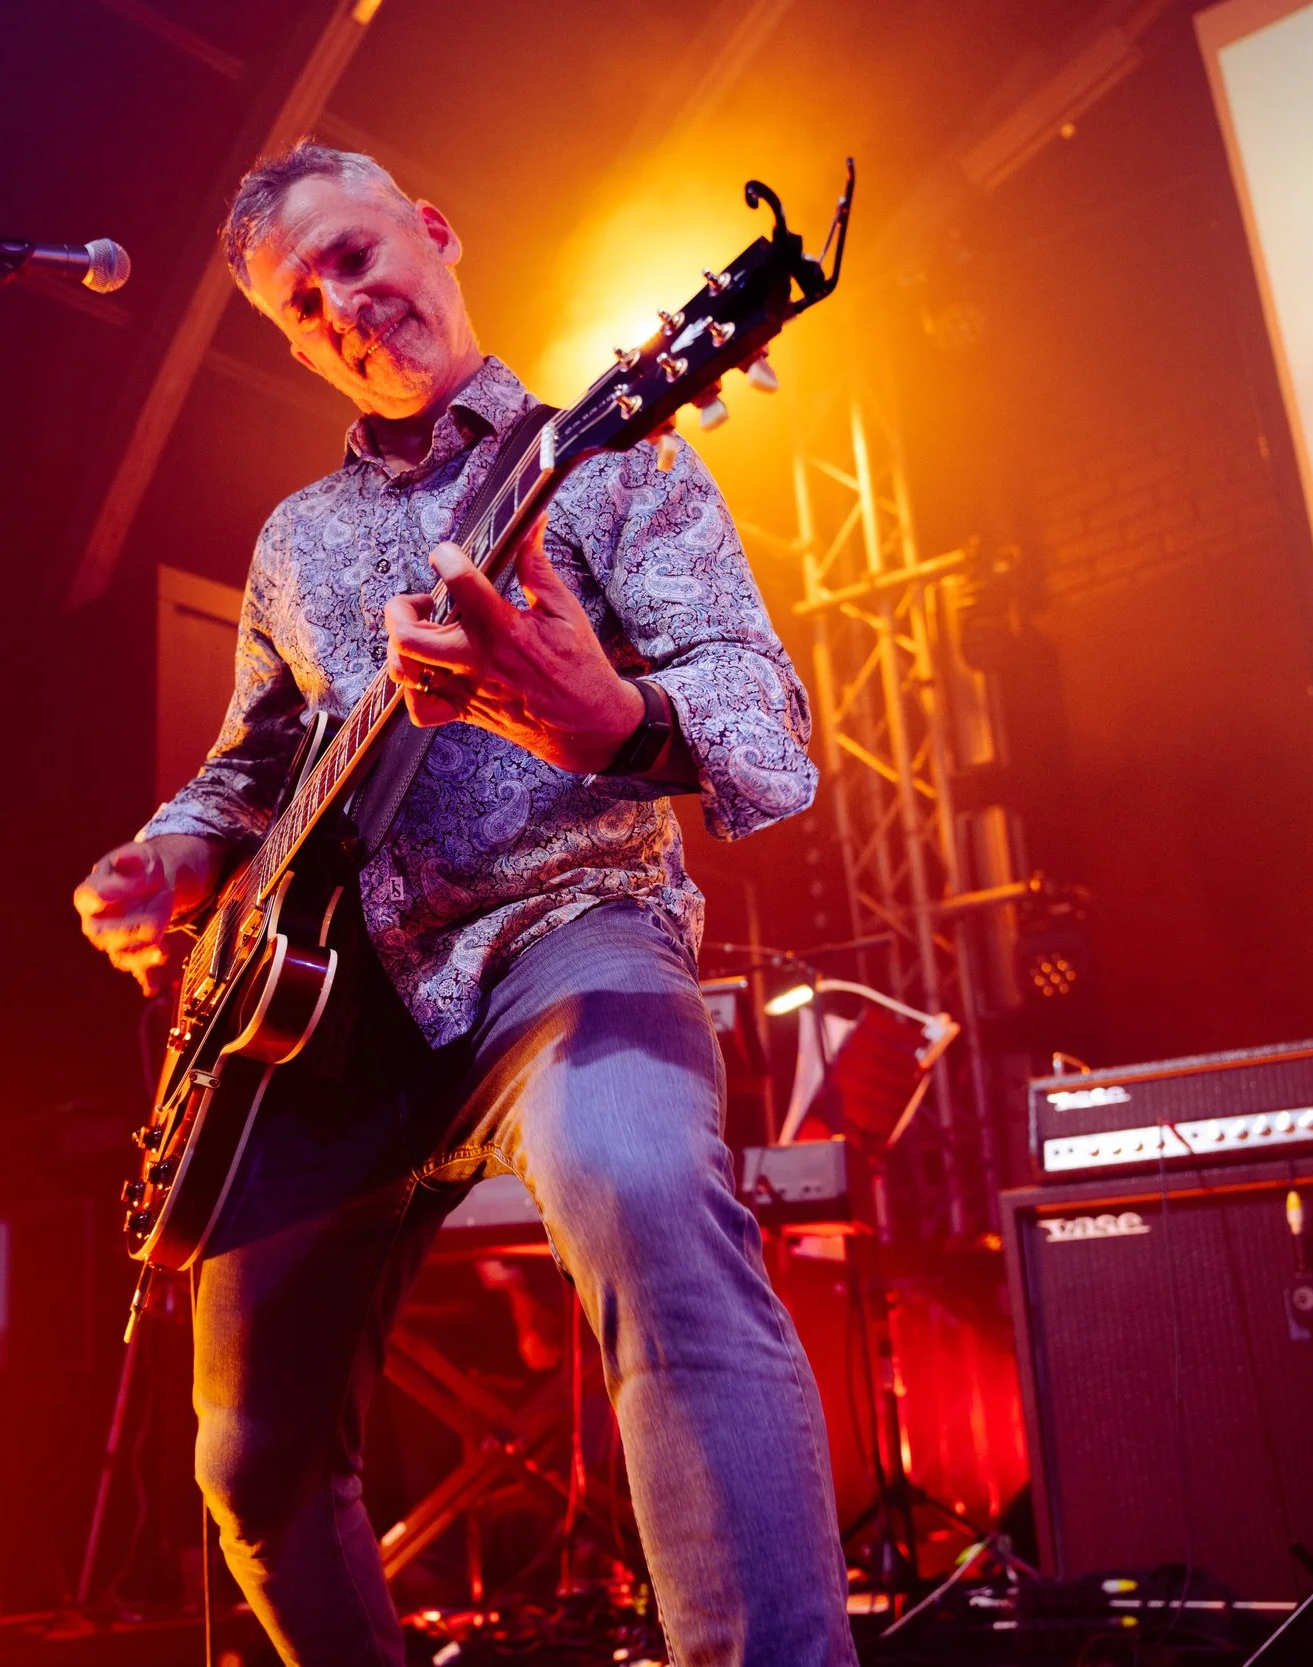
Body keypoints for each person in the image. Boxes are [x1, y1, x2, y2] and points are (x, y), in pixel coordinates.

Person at [73, 143, 856, 1667]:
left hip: (569, 931)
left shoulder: (617, 458)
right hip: (328, 1015)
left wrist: (607, 719)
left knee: (636, 1178)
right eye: (305, 304)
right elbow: (254, 767)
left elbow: (769, 731)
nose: (345, 305)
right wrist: (173, 857)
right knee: (249, 1463)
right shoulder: (294, 543)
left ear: (432, 233)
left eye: (356, 257)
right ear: (297, 347)